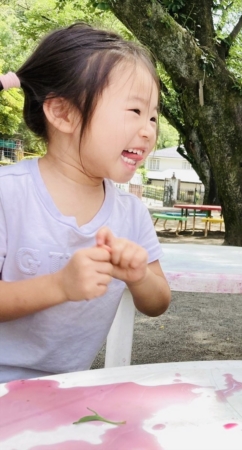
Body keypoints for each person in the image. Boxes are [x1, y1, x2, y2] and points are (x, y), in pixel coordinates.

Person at [0, 24, 171, 383]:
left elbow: (158, 302)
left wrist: (139, 276)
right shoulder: (9, 194)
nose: (148, 130)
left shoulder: (131, 214)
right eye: (134, 110)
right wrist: (60, 286)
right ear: (63, 113)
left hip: (65, 389)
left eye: (153, 116)